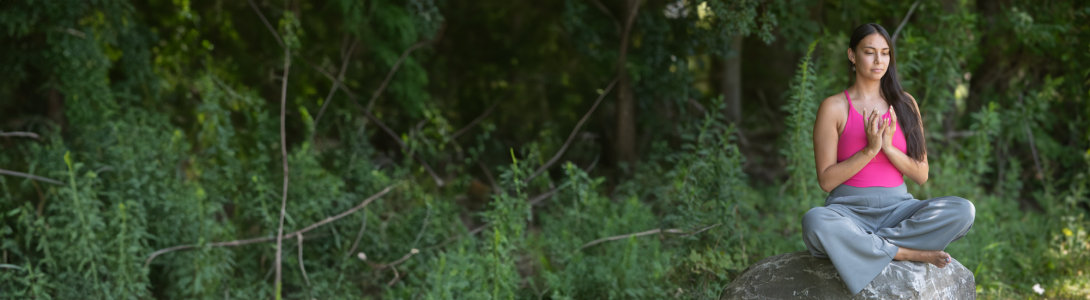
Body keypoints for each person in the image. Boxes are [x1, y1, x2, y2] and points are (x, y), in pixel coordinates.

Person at [802, 23, 976, 295]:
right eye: (869, 52)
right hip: (848, 212)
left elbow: (921, 175)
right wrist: (869, 151)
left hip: (898, 211)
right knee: (815, 221)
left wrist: (888, 148)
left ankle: (860, 247)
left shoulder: (905, 104)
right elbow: (826, 180)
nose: (878, 60)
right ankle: (906, 252)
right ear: (852, 55)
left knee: (963, 210)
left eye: (885, 53)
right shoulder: (834, 107)